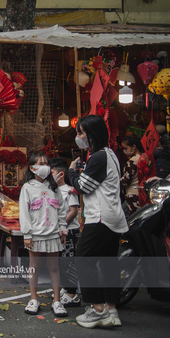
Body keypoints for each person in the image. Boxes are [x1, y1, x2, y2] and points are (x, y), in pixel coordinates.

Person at [69, 115, 128, 328]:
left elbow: (83, 187)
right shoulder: (110, 155)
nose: (78, 137)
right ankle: (112, 310)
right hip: (114, 216)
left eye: (80, 133)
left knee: (84, 259)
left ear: (91, 134)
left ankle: (97, 309)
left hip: (100, 217)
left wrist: (71, 172)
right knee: (108, 263)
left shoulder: (99, 158)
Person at [19, 151, 68, 317]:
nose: (45, 167)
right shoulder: (27, 188)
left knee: (54, 267)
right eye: (41, 164)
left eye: (47, 164)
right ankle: (33, 299)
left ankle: (57, 301)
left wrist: (62, 229)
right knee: (34, 267)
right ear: (32, 168)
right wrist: (27, 234)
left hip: (53, 233)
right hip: (36, 235)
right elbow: (24, 213)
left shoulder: (54, 186)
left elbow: (61, 209)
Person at [50, 157, 81, 307]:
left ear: (60, 174)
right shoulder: (53, 191)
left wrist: (62, 226)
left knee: (69, 262)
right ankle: (65, 288)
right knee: (61, 261)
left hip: (69, 232)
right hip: (58, 232)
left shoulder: (69, 191)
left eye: (52, 172)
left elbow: (73, 212)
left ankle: (72, 293)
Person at [119, 136, 151, 216]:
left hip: (132, 194)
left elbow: (126, 179)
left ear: (133, 146)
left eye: (125, 148)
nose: (124, 151)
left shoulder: (133, 161)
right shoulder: (144, 158)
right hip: (142, 193)